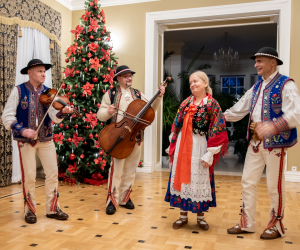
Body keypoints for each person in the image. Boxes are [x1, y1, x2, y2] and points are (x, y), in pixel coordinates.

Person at [224, 47, 300, 239]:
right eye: (255, 61)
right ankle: (247, 222)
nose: (256, 64)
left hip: (276, 143)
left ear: (273, 62)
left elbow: (297, 114)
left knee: (275, 186)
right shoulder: (257, 86)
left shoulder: (286, 85)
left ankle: (277, 224)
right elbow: (240, 108)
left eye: (260, 61)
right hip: (255, 143)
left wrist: (273, 126)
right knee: (247, 181)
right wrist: (220, 116)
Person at [2, 59, 73, 224]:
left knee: (52, 173)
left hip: (46, 138)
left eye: (44, 71)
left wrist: (63, 112)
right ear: (30, 73)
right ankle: (30, 210)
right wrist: (22, 130)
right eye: (40, 71)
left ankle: (53, 208)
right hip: (25, 141)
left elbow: (54, 118)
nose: (43, 74)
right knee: (30, 176)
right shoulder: (18, 91)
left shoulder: (50, 93)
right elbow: (6, 116)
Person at [164, 71, 228, 230]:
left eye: (196, 81)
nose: (192, 84)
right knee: (182, 177)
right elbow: (176, 123)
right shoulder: (186, 102)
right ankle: (182, 216)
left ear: (206, 83)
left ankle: (201, 218)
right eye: (191, 82)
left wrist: (210, 153)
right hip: (182, 144)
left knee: (199, 178)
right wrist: (172, 144)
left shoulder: (212, 104)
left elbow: (218, 128)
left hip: (200, 145)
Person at [97, 65, 165, 215]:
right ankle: (112, 201)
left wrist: (158, 97)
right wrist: (107, 111)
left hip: (135, 137)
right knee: (116, 170)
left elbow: (151, 109)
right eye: (126, 76)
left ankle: (124, 198)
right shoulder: (111, 94)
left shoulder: (138, 94)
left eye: (130, 75)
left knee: (131, 170)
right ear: (119, 78)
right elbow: (100, 115)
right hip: (118, 137)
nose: (129, 78)